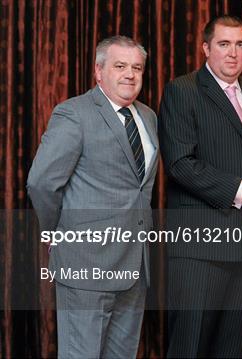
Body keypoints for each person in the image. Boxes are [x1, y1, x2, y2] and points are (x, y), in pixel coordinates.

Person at [27, 35, 158, 358]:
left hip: (134, 267)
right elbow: (41, 183)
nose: (130, 74)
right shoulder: (74, 114)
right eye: (120, 66)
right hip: (86, 264)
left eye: (137, 68)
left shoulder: (148, 117)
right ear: (99, 72)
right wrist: (56, 231)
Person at [158, 15, 242, 358]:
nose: (233, 53)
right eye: (224, 44)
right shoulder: (183, 90)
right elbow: (180, 163)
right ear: (206, 48)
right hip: (200, 247)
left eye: (240, 45)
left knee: (232, 348)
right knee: (189, 347)